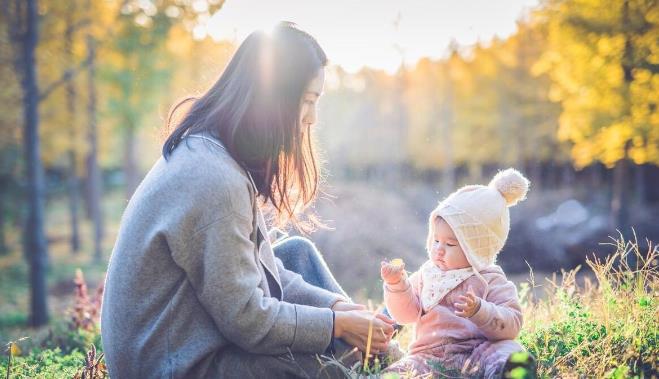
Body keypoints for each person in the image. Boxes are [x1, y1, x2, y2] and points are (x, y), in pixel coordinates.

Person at [101, 22, 394, 379]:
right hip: (176, 367)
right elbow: (248, 321)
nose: (311, 118)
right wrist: (336, 327)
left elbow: (263, 268)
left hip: (190, 335)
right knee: (339, 359)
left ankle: (372, 346)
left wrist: (339, 309)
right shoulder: (213, 180)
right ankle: (375, 357)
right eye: (307, 101)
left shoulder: (214, 153)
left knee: (296, 253)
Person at [380, 168, 536, 378]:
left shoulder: (490, 278)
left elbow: (512, 324)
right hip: (429, 356)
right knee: (403, 370)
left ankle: (511, 371)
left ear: (476, 248)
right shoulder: (428, 274)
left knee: (507, 349)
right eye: (436, 240)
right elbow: (406, 315)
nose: (439, 249)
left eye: (451, 244)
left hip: (479, 351)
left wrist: (481, 310)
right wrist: (397, 286)